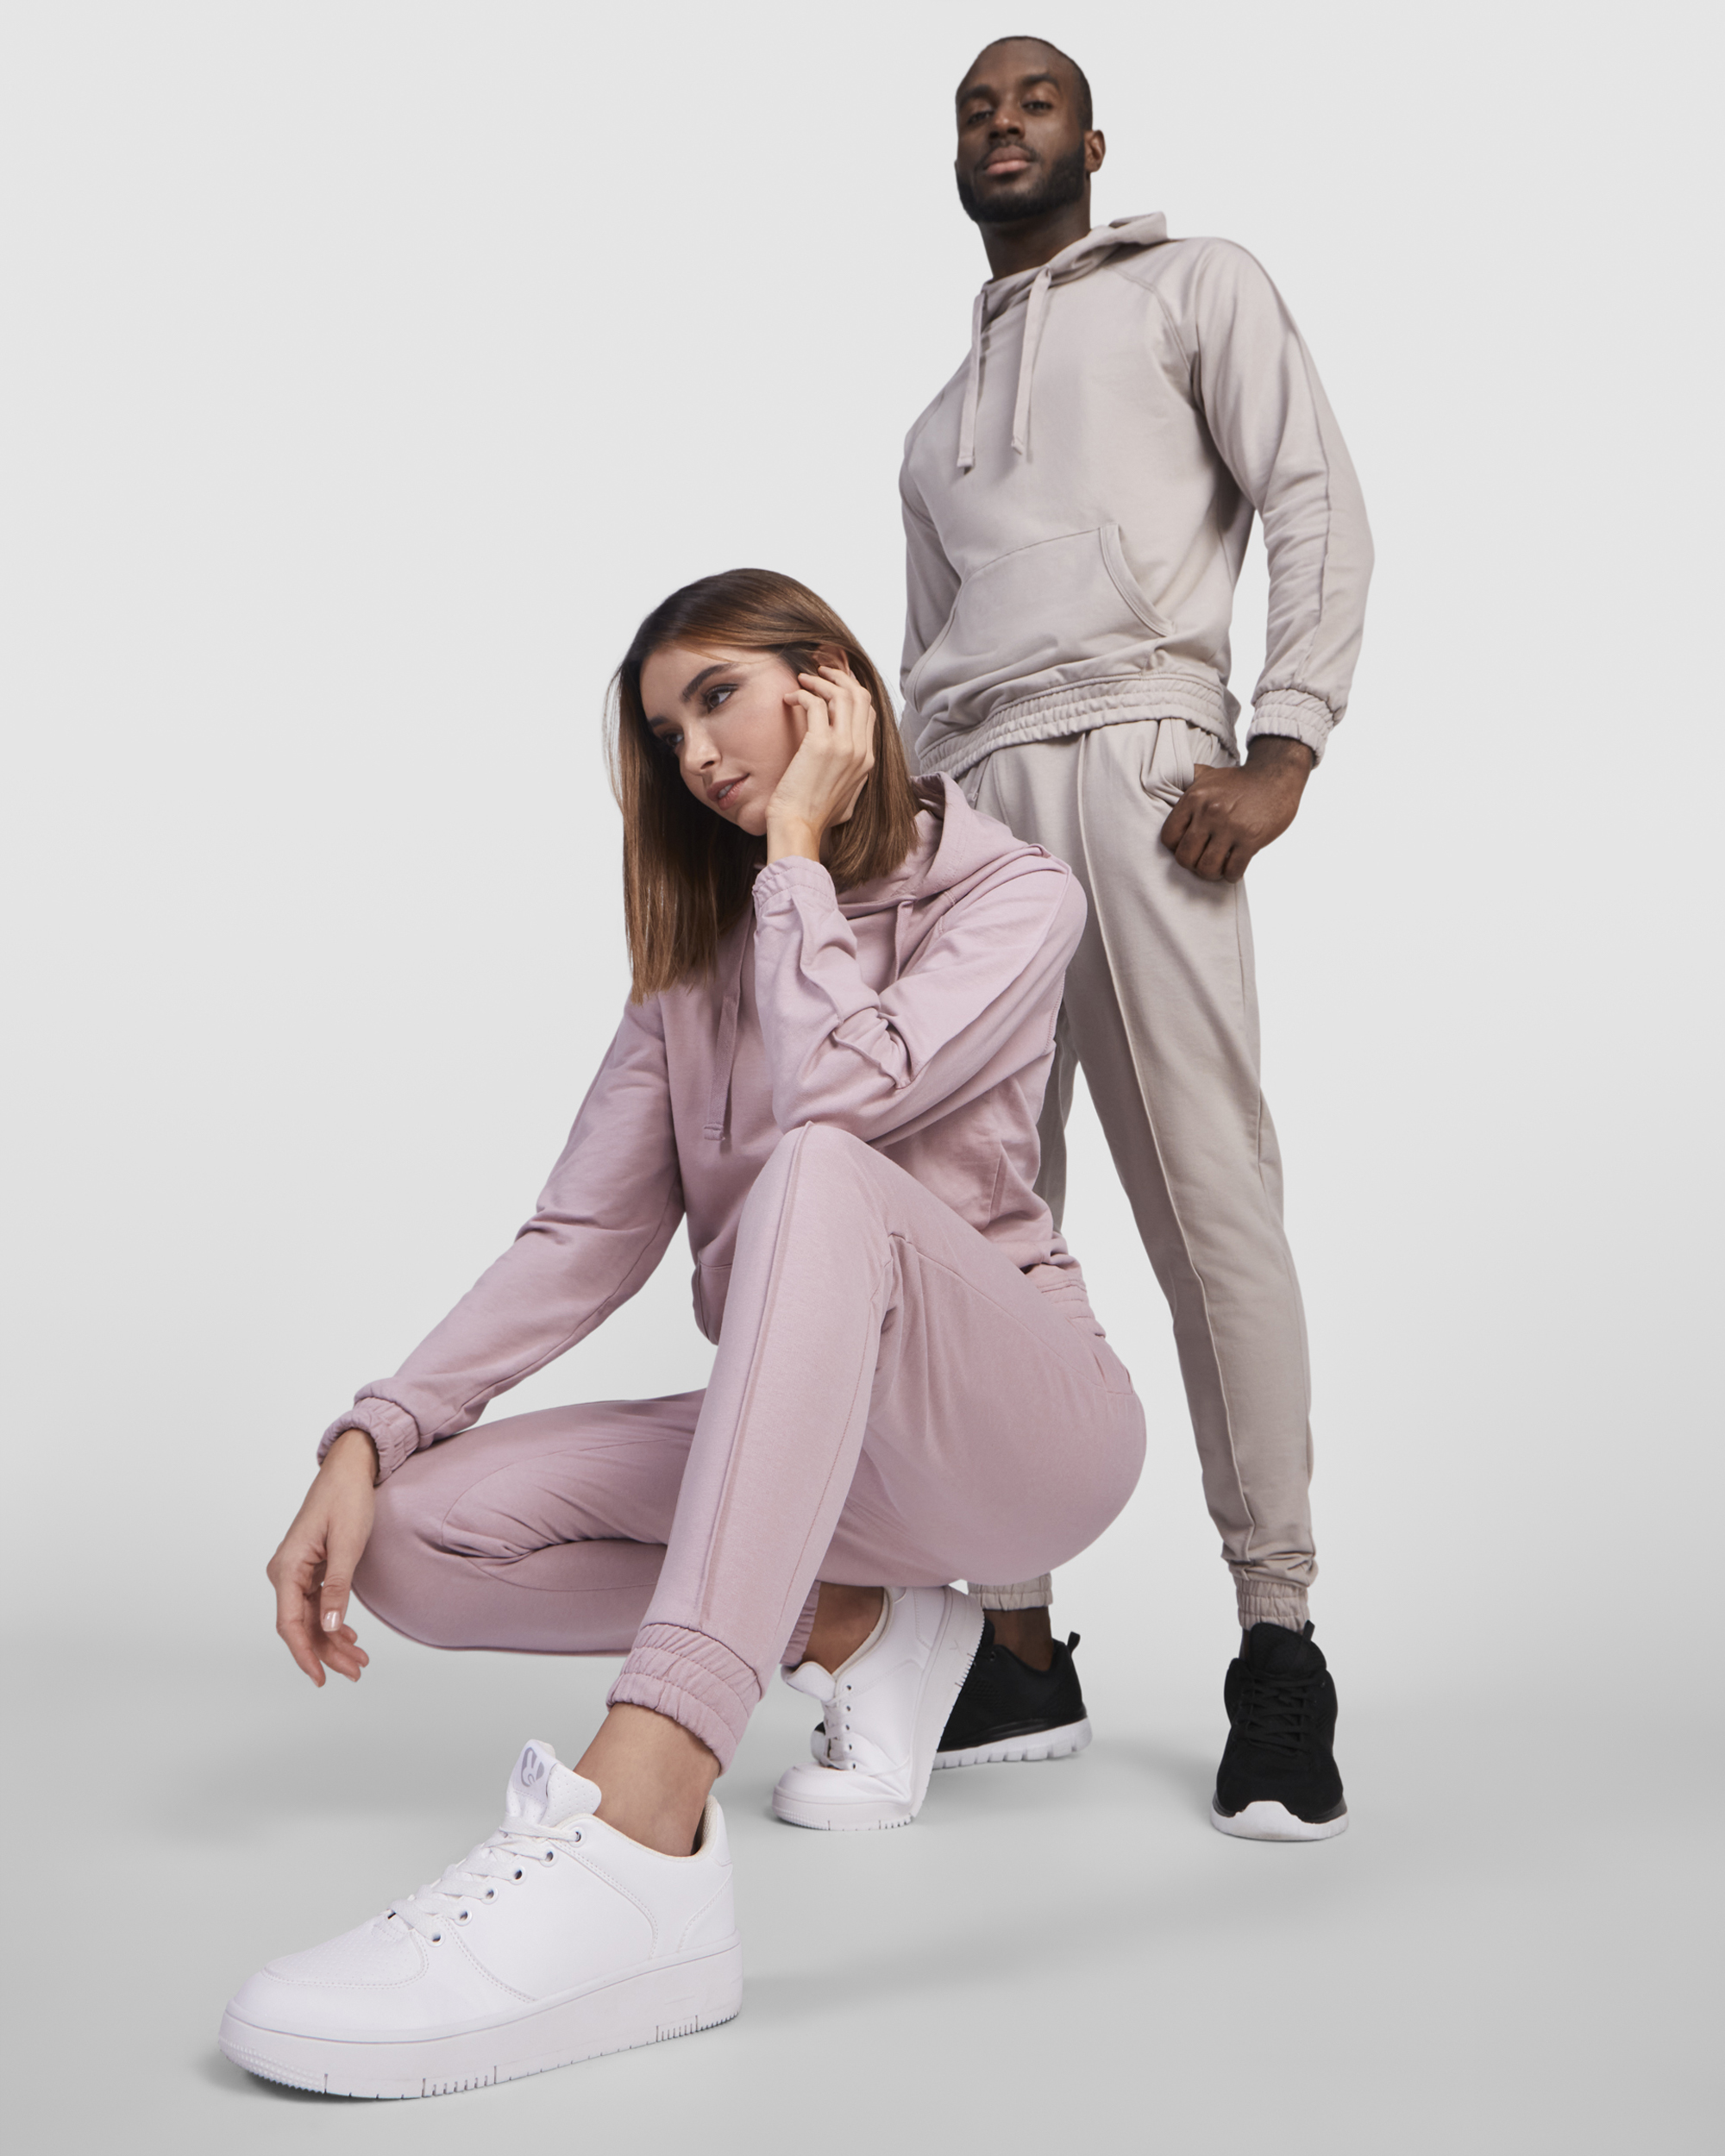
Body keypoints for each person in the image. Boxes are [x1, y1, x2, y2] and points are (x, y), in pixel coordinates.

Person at [219, 569, 1145, 2098]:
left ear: (829, 684)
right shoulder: (694, 977)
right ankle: (863, 1627)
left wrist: (795, 859)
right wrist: (370, 1435)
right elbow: (578, 1240)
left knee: (819, 1166)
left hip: (1023, 1439)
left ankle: (644, 1819)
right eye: (666, 736)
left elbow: (840, 1096)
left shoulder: (1015, 897)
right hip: (825, 1468)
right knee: (414, 1541)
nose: (698, 757)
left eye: (718, 698)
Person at [899, 37, 1373, 1839]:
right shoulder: (930, 428)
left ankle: (1278, 1638)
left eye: (1032, 100)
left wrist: (1286, 741)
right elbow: (923, 668)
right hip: (968, 813)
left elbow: (1314, 498)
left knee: (1206, 1198)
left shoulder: (1196, 286)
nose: (1001, 122)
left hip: (1147, 762)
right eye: (973, 107)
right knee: (975, 1223)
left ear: (1092, 140)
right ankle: (1016, 1643)